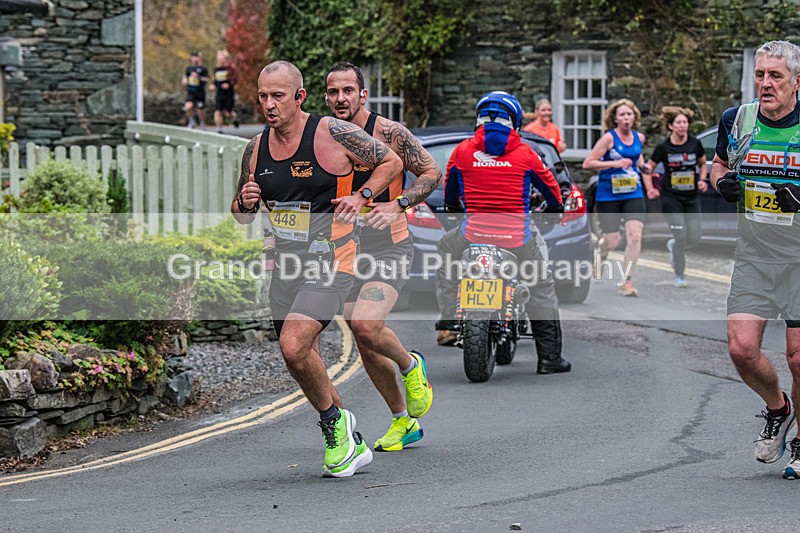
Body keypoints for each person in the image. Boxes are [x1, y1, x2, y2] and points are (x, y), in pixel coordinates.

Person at [232, 60, 403, 478]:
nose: (269, 105)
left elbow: (392, 163)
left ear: (299, 96)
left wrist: (362, 195)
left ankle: (333, 427)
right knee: (300, 359)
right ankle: (346, 435)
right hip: (286, 267)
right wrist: (245, 201)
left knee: (293, 344)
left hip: (333, 259)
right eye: (263, 96)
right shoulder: (255, 148)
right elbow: (239, 213)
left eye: (278, 96)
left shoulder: (332, 132)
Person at [323, 62, 438, 453]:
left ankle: (411, 365)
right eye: (333, 91)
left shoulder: (389, 132)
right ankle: (403, 420)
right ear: (326, 96)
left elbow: (431, 172)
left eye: (348, 90)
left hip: (389, 245)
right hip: (344, 250)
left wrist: (399, 203)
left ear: (363, 94)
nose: (341, 98)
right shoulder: (324, 136)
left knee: (366, 324)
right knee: (364, 338)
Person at [710, 40, 800, 480]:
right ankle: (778, 408)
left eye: (775, 76)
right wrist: (722, 182)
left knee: (799, 358)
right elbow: (718, 165)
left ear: (796, 82)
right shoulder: (737, 119)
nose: (765, 83)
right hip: (754, 255)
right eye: (760, 74)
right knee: (742, 349)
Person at [434, 91, 571, 375]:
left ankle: (449, 316)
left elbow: (450, 192)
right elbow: (551, 188)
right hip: (517, 239)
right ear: (516, 121)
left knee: (446, 248)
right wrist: (556, 208)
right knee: (540, 287)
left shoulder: (462, 151)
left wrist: (453, 209)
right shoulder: (526, 153)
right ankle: (549, 358)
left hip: (473, 235)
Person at [582, 98, 653, 296]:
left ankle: (626, 281)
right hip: (609, 195)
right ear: (615, 119)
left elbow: (637, 159)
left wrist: (643, 167)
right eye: (622, 115)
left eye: (629, 114)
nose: (626, 118)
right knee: (611, 240)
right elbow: (588, 163)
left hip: (633, 192)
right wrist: (613, 164)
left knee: (635, 235)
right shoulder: (609, 138)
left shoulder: (639, 138)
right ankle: (601, 255)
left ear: (634, 117)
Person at [644, 106, 708, 287]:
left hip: (691, 197)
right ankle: (679, 274)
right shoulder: (663, 148)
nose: (682, 126)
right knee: (680, 235)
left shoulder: (695, 144)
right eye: (678, 122)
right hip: (670, 198)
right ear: (671, 126)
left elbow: (703, 164)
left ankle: (673, 246)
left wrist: (702, 180)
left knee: (694, 237)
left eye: (685, 122)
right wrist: (650, 188)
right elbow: (648, 169)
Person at [211, 50, 240, 133]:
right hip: (219, 93)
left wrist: (229, 85)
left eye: (221, 58)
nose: (220, 60)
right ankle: (219, 129)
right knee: (218, 111)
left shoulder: (231, 69)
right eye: (219, 58)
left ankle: (234, 117)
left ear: (226, 58)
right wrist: (213, 85)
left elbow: (235, 80)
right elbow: (215, 81)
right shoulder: (216, 69)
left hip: (228, 93)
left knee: (228, 112)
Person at [182, 50, 209, 129]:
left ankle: (202, 123)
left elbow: (207, 79)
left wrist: (199, 77)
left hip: (200, 92)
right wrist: (184, 81)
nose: (195, 59)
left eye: (196, 57)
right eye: (193, 57)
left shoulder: (203, 69)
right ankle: (191, 121)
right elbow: (185, 77)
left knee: (200, 110)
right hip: (191, 92)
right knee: (188, 107)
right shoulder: (189, 68)